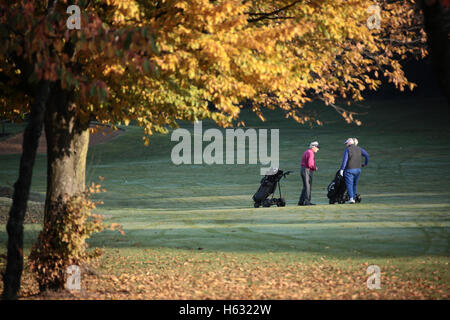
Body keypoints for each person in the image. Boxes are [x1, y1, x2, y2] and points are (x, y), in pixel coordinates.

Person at [339, 138, 369, 204]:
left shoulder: (348, 150)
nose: (346, 145)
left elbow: (345, 160)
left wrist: (342, 169)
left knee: (349, 184)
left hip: (349, 169)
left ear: (349, 143)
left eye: (346, 143)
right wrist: (365, 164)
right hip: (358, 169)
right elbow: (367, 155)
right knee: (354, 184)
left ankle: (351, 198)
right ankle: (354, 198)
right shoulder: (359, 149)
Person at [298, 141, 319, 206]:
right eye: (317, 147)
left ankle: (301, 202)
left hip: (303, 169)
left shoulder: (307, 152)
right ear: (313, 147)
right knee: (308, 186)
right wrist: (315, 168)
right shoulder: (310, 153)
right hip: (307, 170)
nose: (318, 149)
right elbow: (310, 164)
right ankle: (307, 201)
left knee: (305, 186)